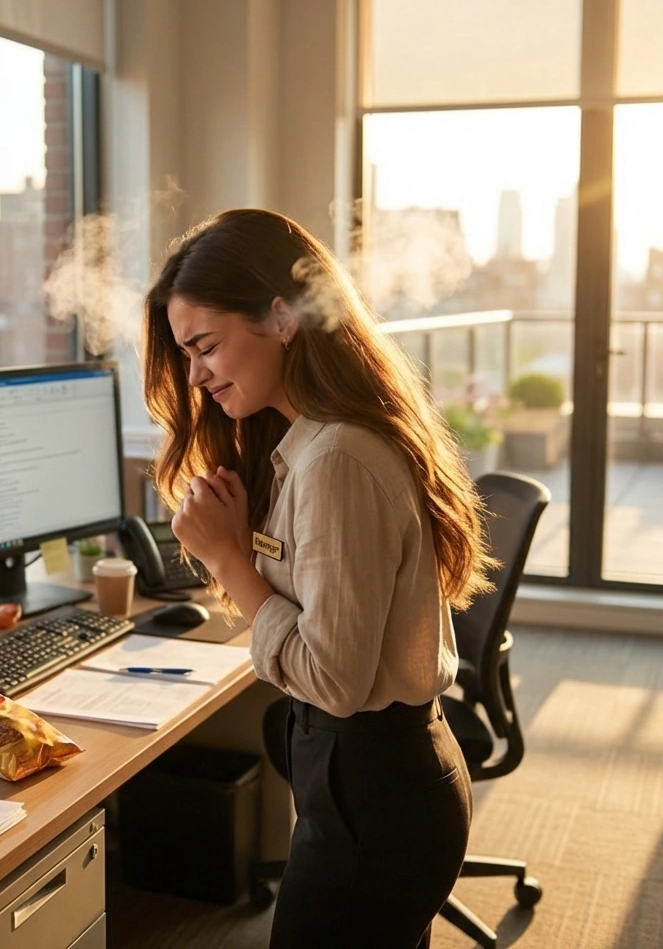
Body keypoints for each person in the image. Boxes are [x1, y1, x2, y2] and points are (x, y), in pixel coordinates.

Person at [143, 208, 494, 949]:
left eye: (205, 346)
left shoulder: (335, 459)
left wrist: (230, 561)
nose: (197, 374)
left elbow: (334, 678)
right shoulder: (305, 445)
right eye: (186, 355)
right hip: (366, 785)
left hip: (376, 794)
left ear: (280, 316)